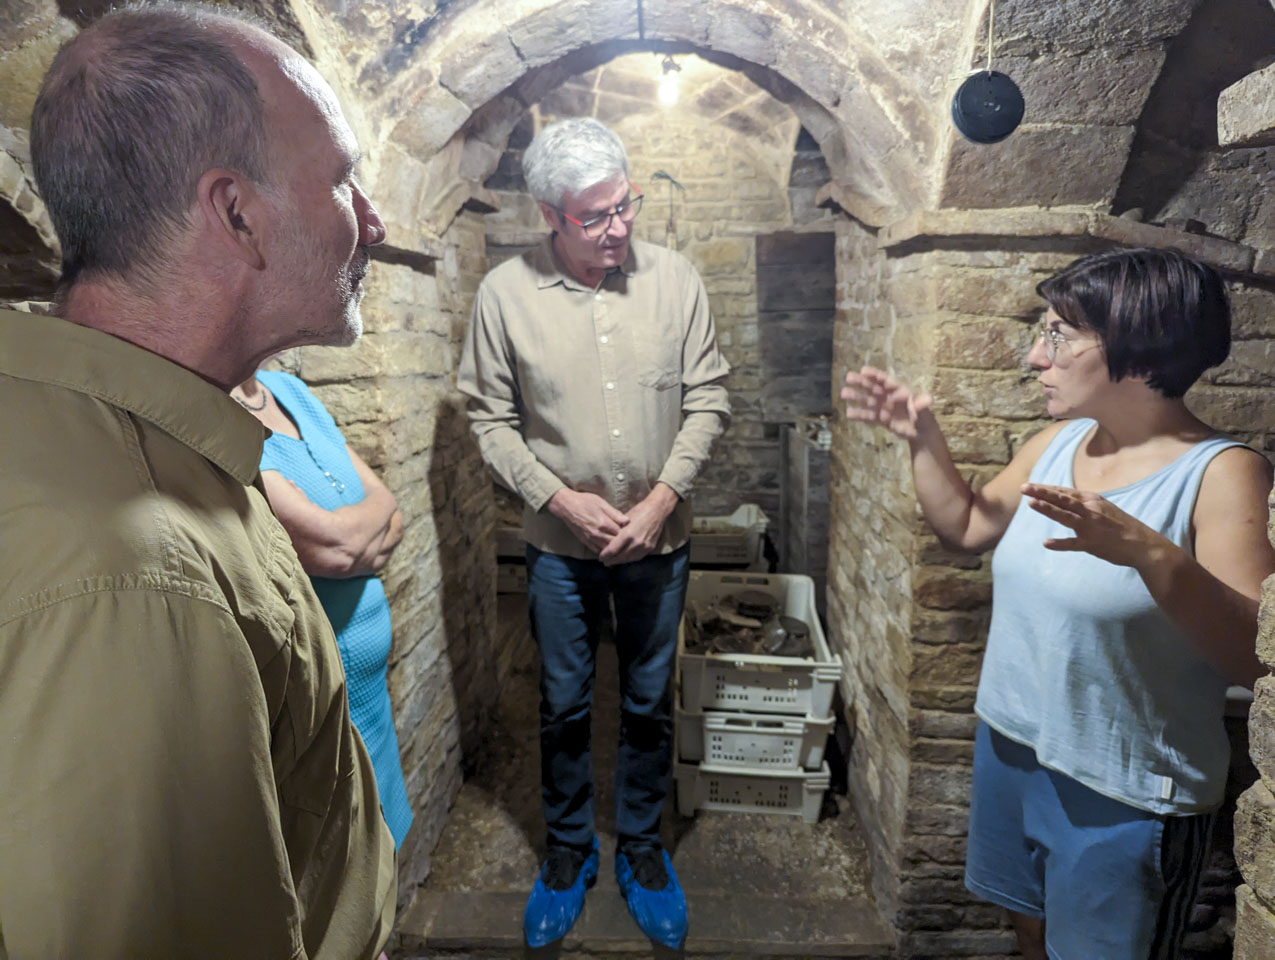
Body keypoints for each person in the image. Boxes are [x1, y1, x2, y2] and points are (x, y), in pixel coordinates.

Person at [0, 4, 396, 957]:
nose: (373, 223)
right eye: (343, 181)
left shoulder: (137, 440)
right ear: (236, 214)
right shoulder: (136, 570)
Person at [841, 247, 1275, 959]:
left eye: (1056, 335)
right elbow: (968, 526)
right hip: (1015, 743)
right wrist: (921, 438)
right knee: (1031, 933)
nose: (1034, 356)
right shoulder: (1059, 441)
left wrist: (1148, 553)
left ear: (1139, 345)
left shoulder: (1223, 474)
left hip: (1123, 787)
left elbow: (1251, 658)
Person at [457, 116, 731, 950]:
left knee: (648, 701)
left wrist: (660, 501)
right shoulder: (505, 294)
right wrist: (555, 498)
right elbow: (488, 416)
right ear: (550, 215)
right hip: (559, 551)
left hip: (660, 542)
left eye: (625, 207)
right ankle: (569, 852)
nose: (617, 229)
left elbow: (708, 399)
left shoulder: (675, 280)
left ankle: (642, 850)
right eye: (594, 217)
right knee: (563, 704)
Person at [232, 368, 413, 849]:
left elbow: (389, 504)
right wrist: (359, 532)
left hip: (373, 698)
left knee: (384, 852)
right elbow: (334, 548)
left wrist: (356, 532)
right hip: (321, 700)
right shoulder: (219, 416)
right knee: (341, 869)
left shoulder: (290, 391)